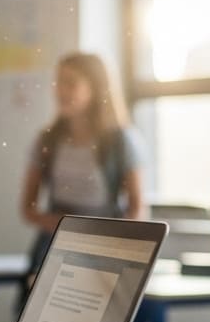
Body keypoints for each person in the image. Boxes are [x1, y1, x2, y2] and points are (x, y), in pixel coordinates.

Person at [19, 52, 146, 275]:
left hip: (105, 251)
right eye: (58, 82)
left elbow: (137, 209)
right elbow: (28, 209)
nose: (60, 90)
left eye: (71, 83)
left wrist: (100, 236)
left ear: (95, 89)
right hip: (55, 248)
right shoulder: (46, 141)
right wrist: (63, 226)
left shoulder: (121, 141)